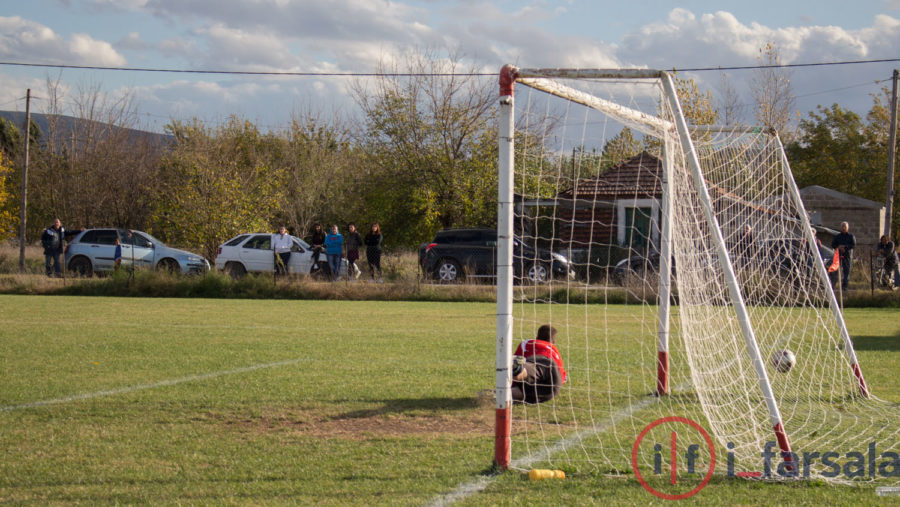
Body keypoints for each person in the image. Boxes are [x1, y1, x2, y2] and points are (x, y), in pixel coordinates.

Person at [511, 324, 567, 404]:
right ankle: (504, 393)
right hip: (552, 387)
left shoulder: (527, 343)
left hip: (540, 365)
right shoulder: (554, 351)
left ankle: (518, 372)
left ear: (536, 338)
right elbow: (562, 377)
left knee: (529, 367)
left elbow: (517, 359)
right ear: (553, 342)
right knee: (525, 393)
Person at [830, 221, 856, 291]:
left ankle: (844, 287)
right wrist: (838, 247)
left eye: (845, 227)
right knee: (835, 271)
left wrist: (845, 247)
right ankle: (832, 286)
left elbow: (853, 245)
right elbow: (833, 244)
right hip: (838, 255)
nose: (844, 228)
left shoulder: (851, 236)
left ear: (848, 228)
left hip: (847, 255)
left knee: (846, 272)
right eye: (842, 226)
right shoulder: (838, 236)